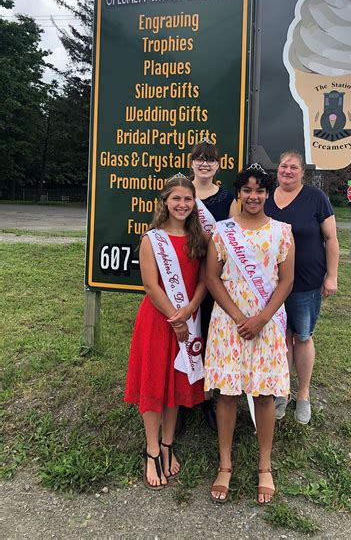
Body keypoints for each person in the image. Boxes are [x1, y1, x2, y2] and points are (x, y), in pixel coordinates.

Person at [205, 164, 295, 504]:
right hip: (229, 322)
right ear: (239, 194)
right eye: (246, 190)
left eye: (259, 190)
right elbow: (212, 277)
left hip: (266, 323)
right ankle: (225, 465)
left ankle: (265, 466)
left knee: (263, 395)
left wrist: (261, 318)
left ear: (267, 194)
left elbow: (286, 280)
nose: (253, 196)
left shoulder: (282, 232)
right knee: (227, 395)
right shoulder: (222, 231)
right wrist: (240, 316)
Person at [124, 176, 208, 490]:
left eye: (188, 199)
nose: (182, 205)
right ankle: (151, 449)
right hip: (158, 320)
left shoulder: (199, 239)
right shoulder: (151, 239)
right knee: (153, 381)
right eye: (176, 199)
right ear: (165, 202)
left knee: (175, 382)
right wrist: (176, 319)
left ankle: (168, 443)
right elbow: (150, 285)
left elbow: (203, 281)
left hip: (188, 318)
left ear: (194, 203)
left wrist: (188, 312)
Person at [265, 150, 339, 425]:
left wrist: (332, 276)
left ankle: (304, 393)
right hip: (272, 285)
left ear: (302, 173)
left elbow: (331, 239)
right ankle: (281, 391)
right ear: (278, 170)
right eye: (283, 166)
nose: (287, 171)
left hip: (306, 281)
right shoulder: (267, 198)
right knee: (281, 337)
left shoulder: (316, 198)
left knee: (303, 336)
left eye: (294, 167)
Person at [186, 140, 240, 432]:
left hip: (214, 279)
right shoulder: (181, 192)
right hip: (183, 275)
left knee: (207, 335)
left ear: (218, 165)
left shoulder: (227, 198)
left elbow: (232, 242)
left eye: (210, 160)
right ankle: (183, 398)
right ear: (191, 162)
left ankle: (206, 398)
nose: (204, 164)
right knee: (183, 336)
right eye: (199, 159)